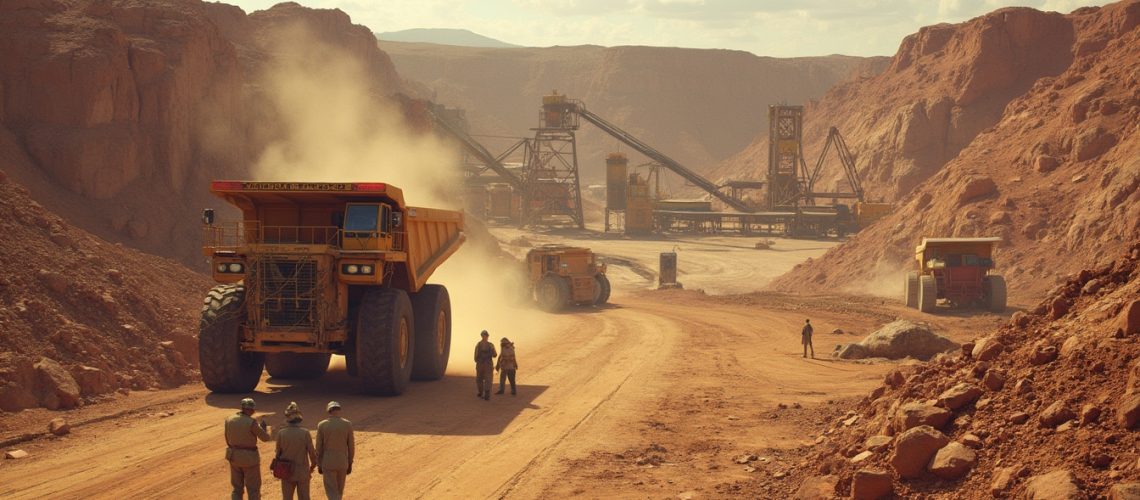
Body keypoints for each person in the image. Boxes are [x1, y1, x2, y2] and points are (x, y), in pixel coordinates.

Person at [224, 397, 273, 500]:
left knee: (237, 489)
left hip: (234, 457)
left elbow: (227, 439)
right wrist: (264, 429)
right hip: (249, 459)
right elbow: (265, 438)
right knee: (253, 489)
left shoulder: (229, 419)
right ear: (251, 410)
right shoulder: (251, 422)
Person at [275, 402, 317, 500]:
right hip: (302, 471)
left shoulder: (281, 433)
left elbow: (277, 454)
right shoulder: (305, 433)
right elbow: (312, 453)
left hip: (286, 472)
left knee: (287, 497)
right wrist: (313, 466)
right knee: (304, 497)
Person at [316, 401, 354, 500]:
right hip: (342, 461)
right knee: (339, 490)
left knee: (331, 491)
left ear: (329, 411)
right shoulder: (347, 424)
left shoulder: (322, 425)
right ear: (339, 410)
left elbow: (318, 447)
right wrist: (350, 463)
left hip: (328, 461)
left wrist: (319, 463)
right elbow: (351, 447)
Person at [474, 330, 498, 400]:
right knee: (481, 379)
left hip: (485, 364)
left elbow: (494, 354)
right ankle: (482, 392)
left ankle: (485, 393)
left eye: (486, 335)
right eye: (485, 335)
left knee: (486, 379)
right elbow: (495, 354)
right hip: (484, 364)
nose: (485, 337)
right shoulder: (483, 345)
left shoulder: (482, 345)